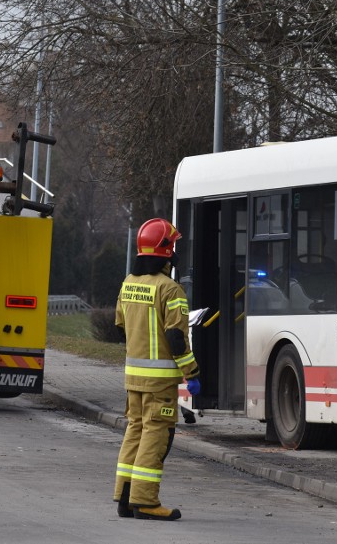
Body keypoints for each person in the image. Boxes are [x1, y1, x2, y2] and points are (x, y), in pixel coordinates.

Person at [113, 218, 200, 521]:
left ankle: (124, 497)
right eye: (172, 247)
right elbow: (177, 338)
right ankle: (146, 502)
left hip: (133, 379)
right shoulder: (170, 289)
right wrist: (192, 372)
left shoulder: (128, 283)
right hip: (160, 383)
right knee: (155, 436)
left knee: (134, 431)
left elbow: (121, 325)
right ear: (165, 253)